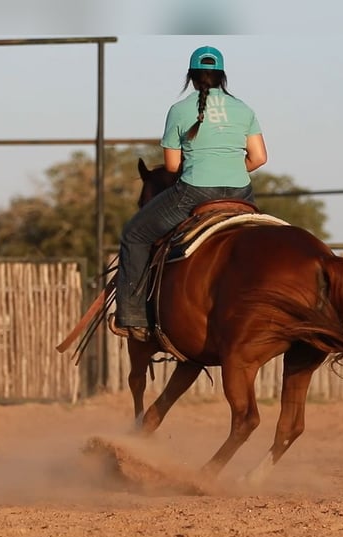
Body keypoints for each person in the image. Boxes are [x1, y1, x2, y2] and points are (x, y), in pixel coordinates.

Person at [111, 45, 268, 341]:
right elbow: (259, 158)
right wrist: (230, 170)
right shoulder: (244, 109)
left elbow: (171, 166)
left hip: (194, 192)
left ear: (191, 78)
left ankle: (132, 317)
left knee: (134, 235)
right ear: (222, 76)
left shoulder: (180, 110)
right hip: (241, 193)